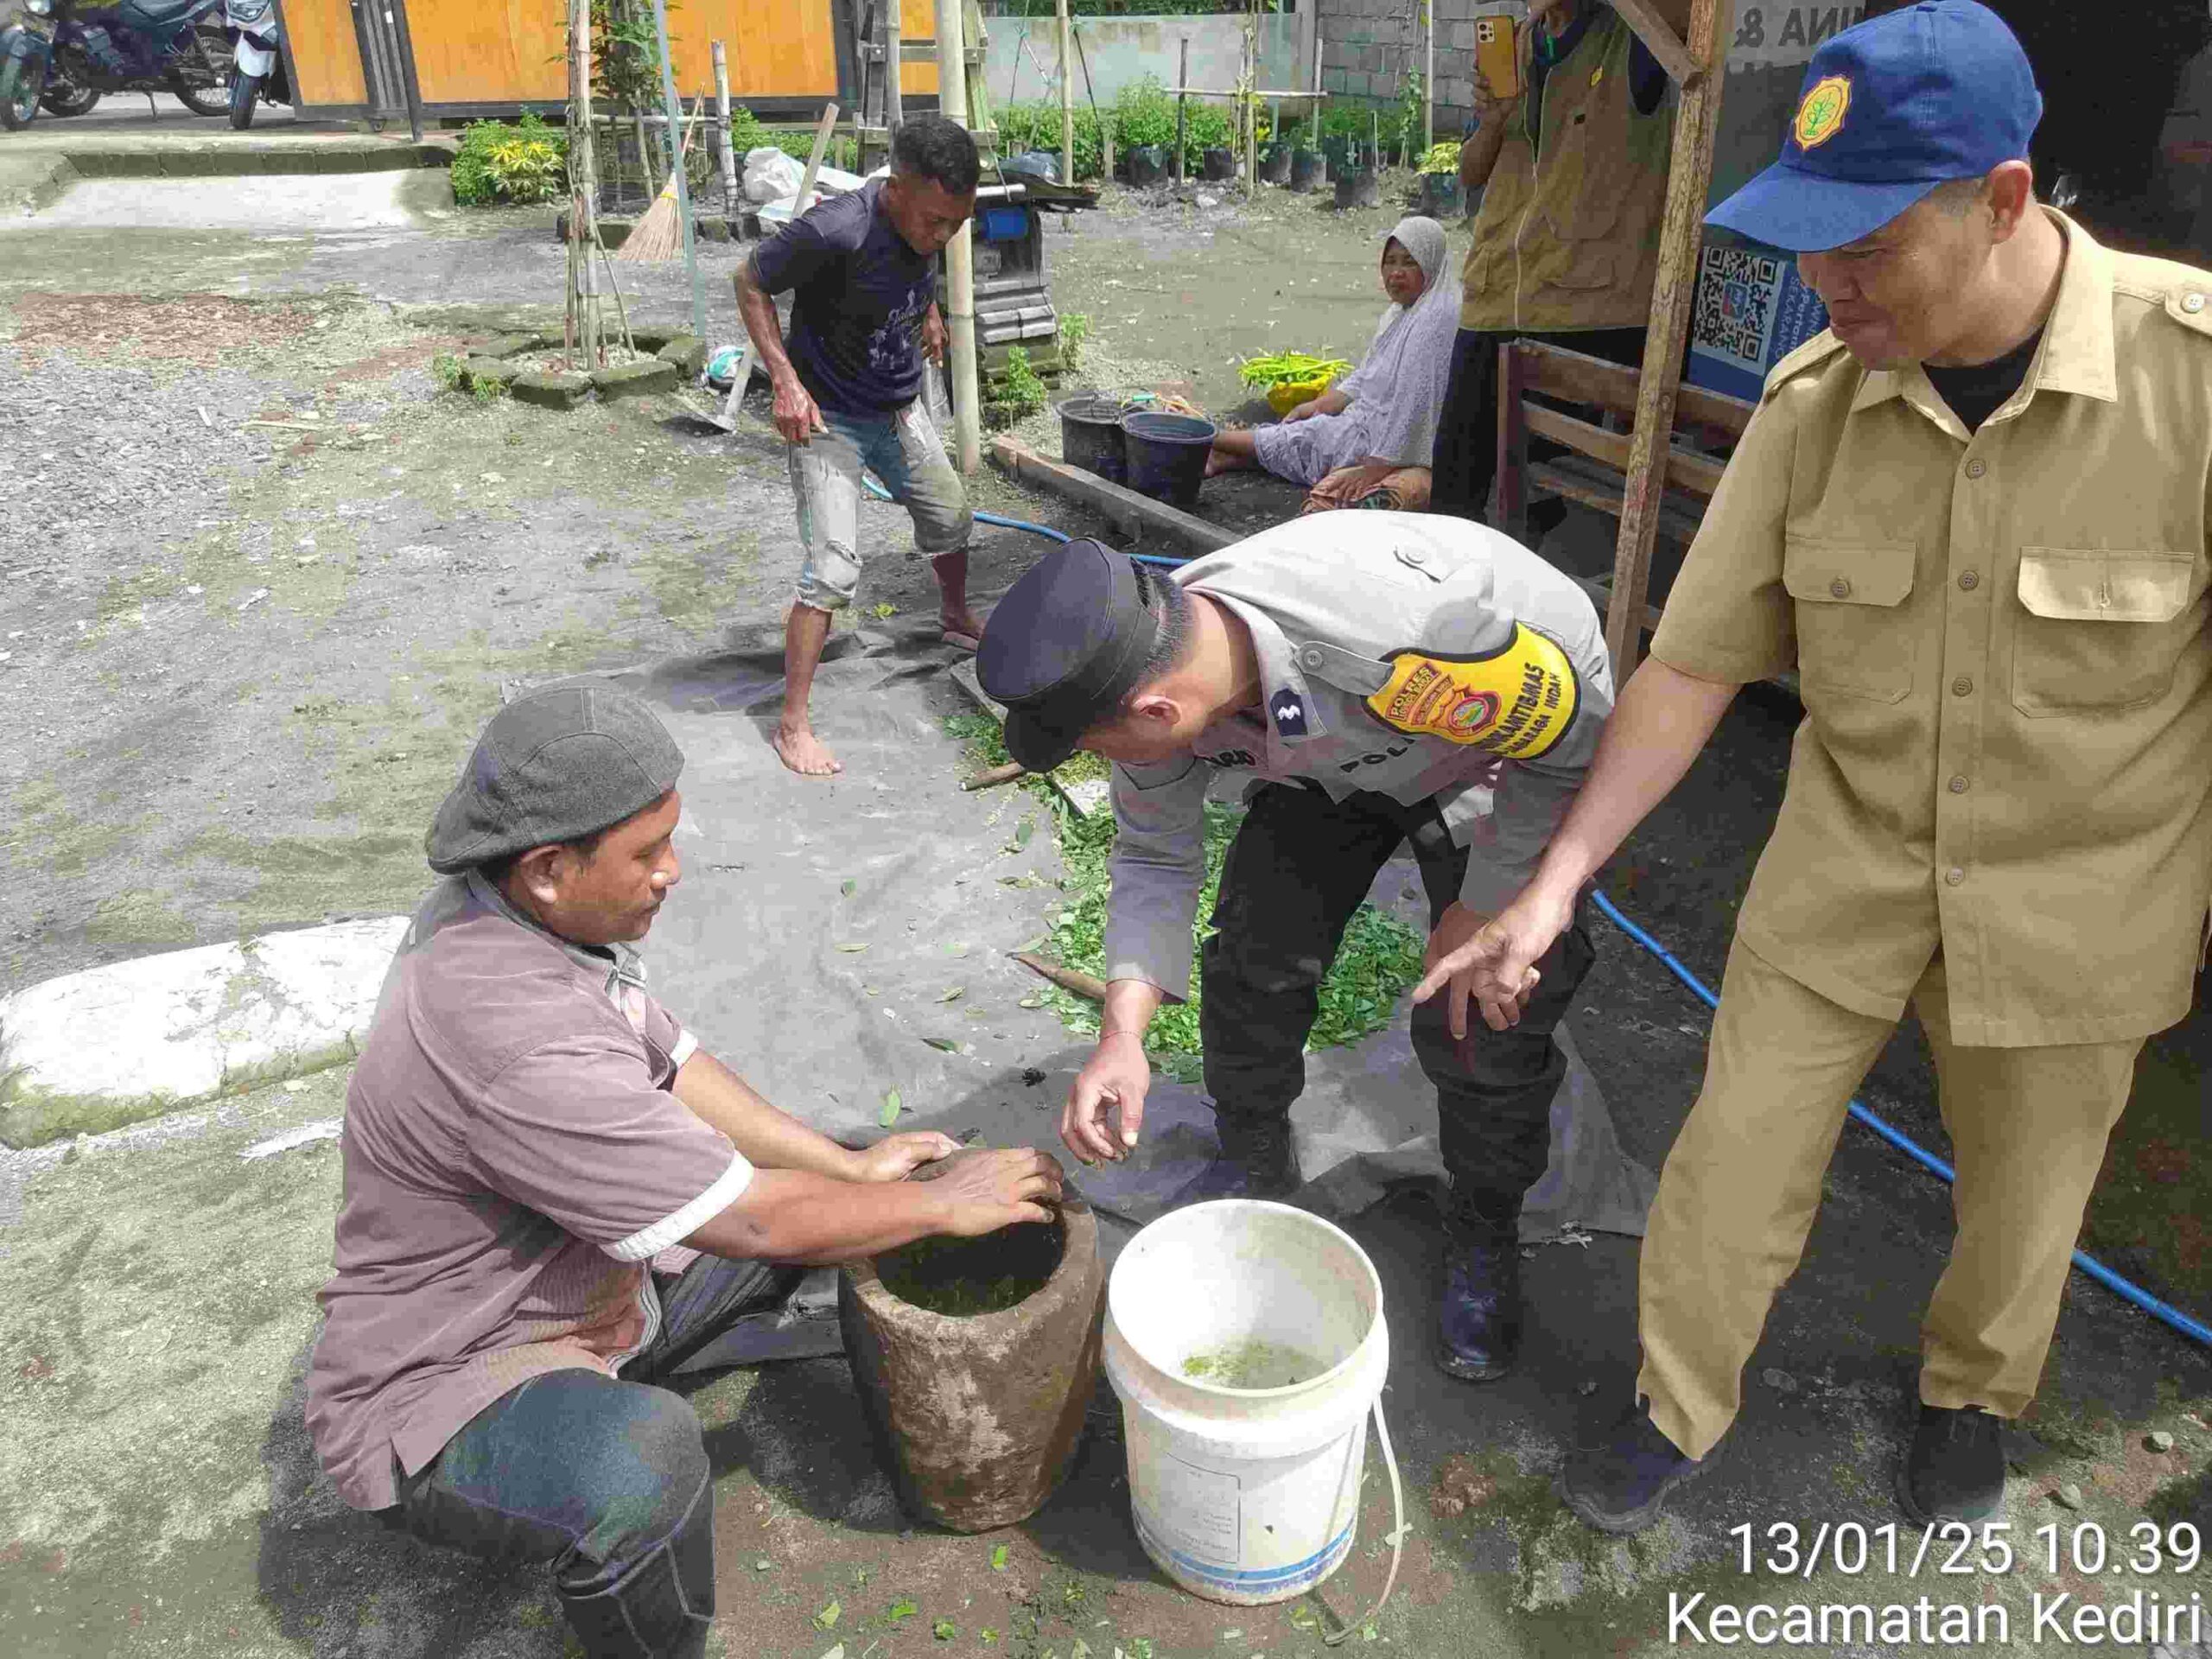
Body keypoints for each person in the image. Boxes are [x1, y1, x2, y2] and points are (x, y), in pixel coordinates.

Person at [1415, 0, 2212, 1535]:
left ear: (2002, 199)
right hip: (1846, 868)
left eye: (1868, 244)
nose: (1826, 282)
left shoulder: (2191, 378)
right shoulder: (1814, 406)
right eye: (1809, 242)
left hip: (2087, 897)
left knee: (2029, 1196)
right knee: (1734, 1158)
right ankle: (1675, 1399)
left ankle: (1973, 1399)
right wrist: (1555, 884)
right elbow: (1693, 665)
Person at [305, 683, 1063, 1658]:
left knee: (837, 1197)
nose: (673, 871)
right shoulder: (511, 1034)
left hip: (586, 1287)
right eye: (647, 853)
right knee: (643, 1462)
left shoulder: (515, 913)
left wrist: (852, 1166)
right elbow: (751, 1220)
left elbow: (674, 1060)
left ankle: (641, 1338)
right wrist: (941, 1209)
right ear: (548, 869)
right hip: (452, 1379)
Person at [976, 514, 1614, 1383]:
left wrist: (1485, 903)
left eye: (1093, 748)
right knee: (1254, 956)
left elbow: (1569, 751)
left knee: (1484, 1013)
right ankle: (1254, 1154)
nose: (1102, 762)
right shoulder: (1149, 664)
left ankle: (1484, 1227)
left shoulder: (1404, 638)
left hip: (1500, 748)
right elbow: (1154, 856)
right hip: (1326, 758)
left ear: (1158, 713)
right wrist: (1122, 1036)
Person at [734, 113, 985, 778]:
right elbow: (749, 281)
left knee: (951, 517)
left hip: (897, 405)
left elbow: (913, 263)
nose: (943, 236)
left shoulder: (928, 217)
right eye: (935, 222)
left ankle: (955, 615)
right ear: (895, 189)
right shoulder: (834, 229)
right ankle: (792, 724)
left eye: (957, 224)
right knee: (833, 572)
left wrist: (929, 309)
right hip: (828, 418)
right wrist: (784, 382)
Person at [1430, 0, 1678, 524]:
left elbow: (1691, 17)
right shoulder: (1518, 43)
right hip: (1494, 294)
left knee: (1542, 511)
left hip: (1586, 309)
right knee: (1454, 491)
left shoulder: (1633, 36)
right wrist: (1492, 123)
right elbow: (1470, 173)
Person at [1204, 217, 1460, 514]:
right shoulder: (1401, 313)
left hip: (1388, 439)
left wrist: (1376, 466)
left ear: (1431, 262)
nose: (1396, 273)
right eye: (1390, 262)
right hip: (1369, 422)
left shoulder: (1434, 320)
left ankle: (1207, 438)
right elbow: (1367, 374)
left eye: (1409, 262)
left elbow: (1413, 407)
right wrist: (1319, 404)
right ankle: (1223, 455)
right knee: (1308, 432)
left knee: (1309, 438)